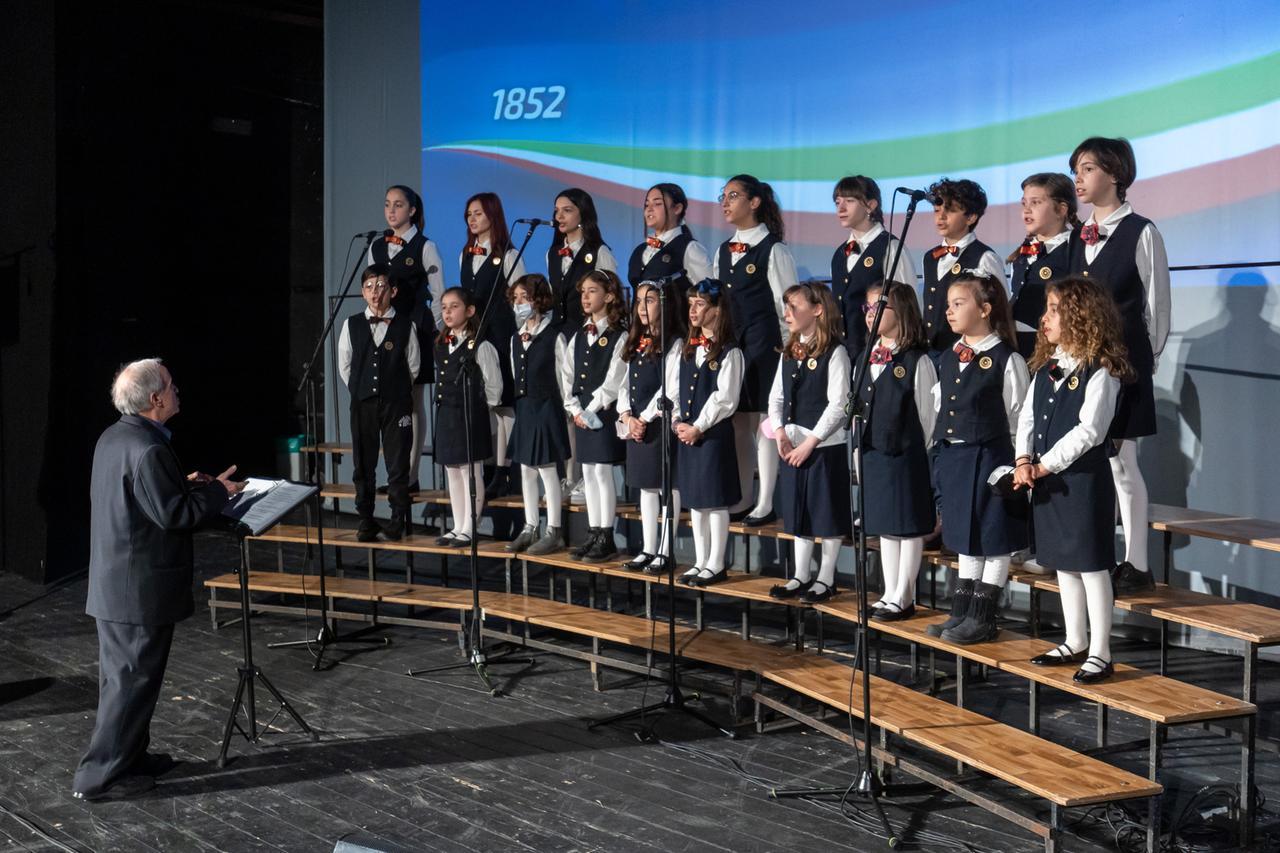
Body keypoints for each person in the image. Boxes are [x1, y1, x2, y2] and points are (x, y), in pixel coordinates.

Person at [73, 359, 242, 801]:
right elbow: (174, 515)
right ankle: (100, 778)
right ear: (155, 399)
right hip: (137, 590)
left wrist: (184, 484)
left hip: (117, 584)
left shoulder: (117, 436)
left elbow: (141, 498)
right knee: (129, 683)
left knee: (128, 681)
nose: (177, 389)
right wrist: (217, 493)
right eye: (171, 385)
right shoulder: (148, 448)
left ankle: (129, 757)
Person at [1016, 277, 1133, 683]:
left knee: (1091, 563)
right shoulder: (1048, 367)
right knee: (1064, 564)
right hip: (1049, 480)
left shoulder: (1100, 369)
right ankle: (1074, 638)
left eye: (1052, 309)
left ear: (1080, 315)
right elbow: (1027, 418)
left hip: (1082, 482)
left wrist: (1044, 464)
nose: (1043, 318)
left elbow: (1090, 431)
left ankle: (1101, 650)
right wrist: (1022, 460)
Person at [1068, 136, 1171, 596]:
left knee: (1122, 461)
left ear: (1115, 174)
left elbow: (1158, 309)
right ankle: (1094, 553)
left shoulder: (1141, 231)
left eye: (1087, 168)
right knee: (1089, 462)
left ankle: (1137, 563)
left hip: (1125, 365)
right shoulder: (1076, 235)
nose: (1078, 178)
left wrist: (1139, 361)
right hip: (1082, 367)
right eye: (1076, 169)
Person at [927, 272, 1030, 645]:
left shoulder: (1006, 358)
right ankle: (962, 611)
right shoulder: (949, 356)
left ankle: (984, 617)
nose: (949, 311)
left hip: (991, 457)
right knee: (966, 535)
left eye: (959, 304)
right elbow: (941, 405)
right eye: (948, 304)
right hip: (956, 457)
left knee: (993, 536)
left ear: (984, 309)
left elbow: (1019, 417)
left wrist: (1017, 463)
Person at [711, 174, 799, 526]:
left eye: (734, 196)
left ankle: (765, 501)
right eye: (724, 196)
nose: (726, 203)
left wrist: (789, 349)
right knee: (737, 423)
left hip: (767, 344)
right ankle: (743, 496)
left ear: (755, 202)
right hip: (734, 345)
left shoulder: (773, 249)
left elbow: (788, 306)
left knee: (765, 422)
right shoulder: (722, 250)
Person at [853, 281, 938, 621]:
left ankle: (904, 595)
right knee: (886, 527)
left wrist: (915, 449)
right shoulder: (864, 357)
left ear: (900, 311)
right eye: (867, 308)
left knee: (908, 526)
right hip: (873, 452)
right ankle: (889, 591)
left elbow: (928, 417)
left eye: (879, 307)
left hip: (906, 455)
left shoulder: (917, 361)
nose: (871, 313)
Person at [767, 283, 851, 604]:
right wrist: (780, 431)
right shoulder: (790, 350)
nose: (787, 314)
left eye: (794, 307)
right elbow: (776, 395)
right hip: (792, 445)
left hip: (823, 447)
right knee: (799, 512)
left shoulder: (836, 351)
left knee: (826, 514)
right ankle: (801, 574)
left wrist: (811, 442)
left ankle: (826, 578)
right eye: (785, 307)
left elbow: (839, 403)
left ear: (817, 310)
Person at [368, 184, 445, 492]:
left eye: (398, 205)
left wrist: (436, 327)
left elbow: (439, 292)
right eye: (387, 204)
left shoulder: (425, 246)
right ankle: (395, 473)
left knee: (413, 403)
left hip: (415, 329)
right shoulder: (376, 246)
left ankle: (410, 477)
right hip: (385, 331)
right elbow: (372, 289)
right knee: (390, 405)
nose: (391, 211)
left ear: (412, 210)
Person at [668, 279, 744, 587]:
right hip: (688, 433)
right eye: (690, 304)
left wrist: (698, 426)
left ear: (717, 309)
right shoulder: (688, 348)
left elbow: (725, 398)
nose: (693, 310)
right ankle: (700, 560)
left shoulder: (729, 352)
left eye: (700, 304)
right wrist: (677, 421)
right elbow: (674, 390)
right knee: (696, 502)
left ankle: (716, 562)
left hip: (711, 435)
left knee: (715, 501)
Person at [338, 264, 421, 541]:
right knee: (364, 463)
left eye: (382, 286)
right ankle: (366, 519)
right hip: (363, 404)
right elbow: (345, 365)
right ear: (363, 292)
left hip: (396, 404)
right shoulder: (352, 324)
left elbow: (413, 366)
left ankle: (397, 519)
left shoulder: (406, 325)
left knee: (398, 463)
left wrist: (394, 389)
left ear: (393, 291)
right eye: (370, 287)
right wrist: (361, 390)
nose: (376, 293)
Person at [459, 192, 527, 500]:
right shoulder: (466, 254)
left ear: (492, 217)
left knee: (504, 405)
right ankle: (488, 467)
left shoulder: (509, 255)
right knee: (484, 401)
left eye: (478, 214)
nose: (473, 219)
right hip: (476, 336)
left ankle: (506, 469)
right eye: (469, 214)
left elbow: (522, 300)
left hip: (501, 334)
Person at [617, 277, 687, 573]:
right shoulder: (634, 340)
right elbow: (624, 384)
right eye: (639, 301)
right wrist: (625, 415)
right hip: (637, 425)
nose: (643, 307)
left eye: (650, 300)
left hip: (659, 422)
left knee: (665, 487)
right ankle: (647, 547)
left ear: (664, 303)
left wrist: (643, 418)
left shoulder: (674, 342)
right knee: (645, 489)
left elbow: (670, 388)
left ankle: (665, 550)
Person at [559, 270, 628, 562]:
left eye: (592, 291)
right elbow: (567, 376)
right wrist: (574, 409)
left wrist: (590, 409)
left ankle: (606, 535)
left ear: (609, 296)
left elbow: (614, 381)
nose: (585, 297)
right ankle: (593, 530)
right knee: (587, 471)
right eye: (583, 292)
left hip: (602, 413)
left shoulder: (620, 335)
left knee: (602, 472)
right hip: (583, 414)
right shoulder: (577, 335)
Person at [504, 274, 571, 556]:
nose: (519, 303)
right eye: (516, 298)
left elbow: (564, 377)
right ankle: (530, 526)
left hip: (546, 406)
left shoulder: (554, 335)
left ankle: (554, 529)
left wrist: (567, 408)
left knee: (546, 469)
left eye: (525, 297)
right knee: (525, 469)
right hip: (525, 407)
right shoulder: (515, 338)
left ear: (539, 299)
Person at [433, 287, 502, 546]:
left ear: (470, 310)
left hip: (470, 416)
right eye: (444, 307)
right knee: (452, 470)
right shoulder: (441, 344)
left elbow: (494, 386)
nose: (448, 312)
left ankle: (470, 527)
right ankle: (457, 524)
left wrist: (483, 411)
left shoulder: (480, 345)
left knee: (470, 471)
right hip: (447, 414)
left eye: (454, 306)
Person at [829, 176, 916, 357]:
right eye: (838, 202)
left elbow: (907, 307)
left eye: (850, 201)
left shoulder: (890, 247)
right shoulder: (839, 254)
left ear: (871, 205)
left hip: (880, 354)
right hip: (844, 354)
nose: (841, 208)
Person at [920, 178, 1005, 360]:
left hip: (967, 355)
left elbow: (1000, 313)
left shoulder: (984, 257)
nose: (940, 217)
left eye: (950, 210)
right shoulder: (930, 257)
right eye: (936, 210)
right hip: (929, 352)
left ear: (970, 217)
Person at [1007, 173, 1077, 357]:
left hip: (1051, 347)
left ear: (1061, 210)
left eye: (1036, 202)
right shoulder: (1023, 252)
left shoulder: (1075, 250)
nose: (1027, 210)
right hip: (1015, 345)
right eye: (1024, 203)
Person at [627, 183, 712, 289]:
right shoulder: (639, 250)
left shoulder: (690, 248)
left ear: (677, 208)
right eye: (646, 204)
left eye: (657, 203)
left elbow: (710, 294)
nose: (649, 209)